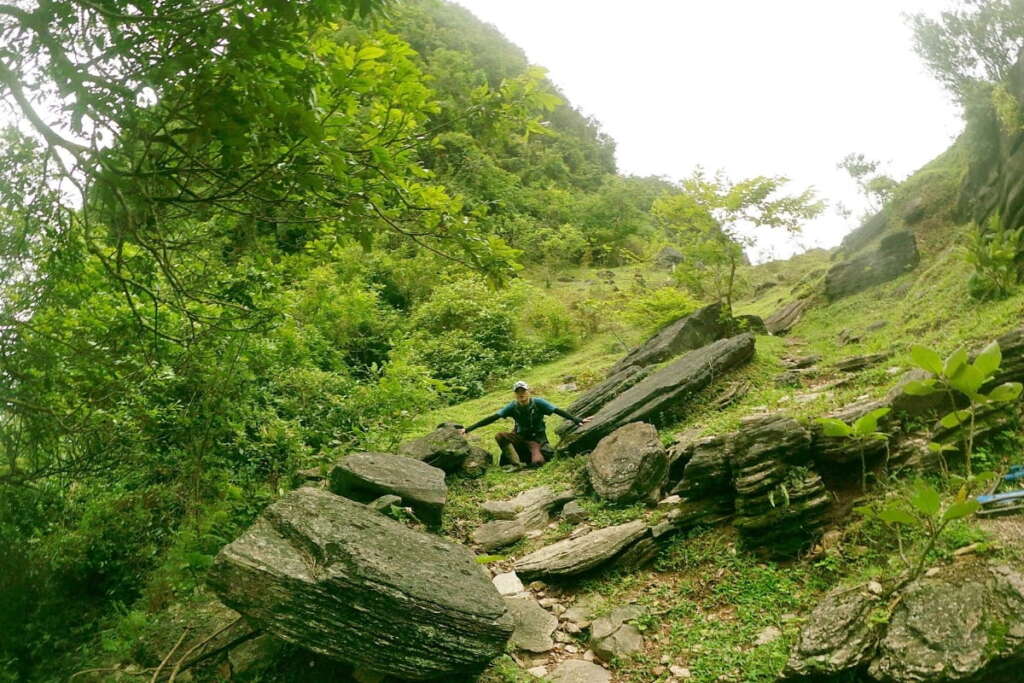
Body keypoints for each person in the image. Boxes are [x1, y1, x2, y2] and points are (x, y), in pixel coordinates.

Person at [460, 381, 591, 467]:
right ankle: (515, 463)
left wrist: (577, 420)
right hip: (520, 437)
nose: (521, 394)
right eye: (518, 392)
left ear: (528, 392)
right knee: (500, 435)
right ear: (515, 394)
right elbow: (492, 418)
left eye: (523, 391)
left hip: (536, 440)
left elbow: (557, 411)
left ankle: (529, 458)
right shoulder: (512, 406)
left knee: (538, 462)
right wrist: (468, 429)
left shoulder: (539, 403)